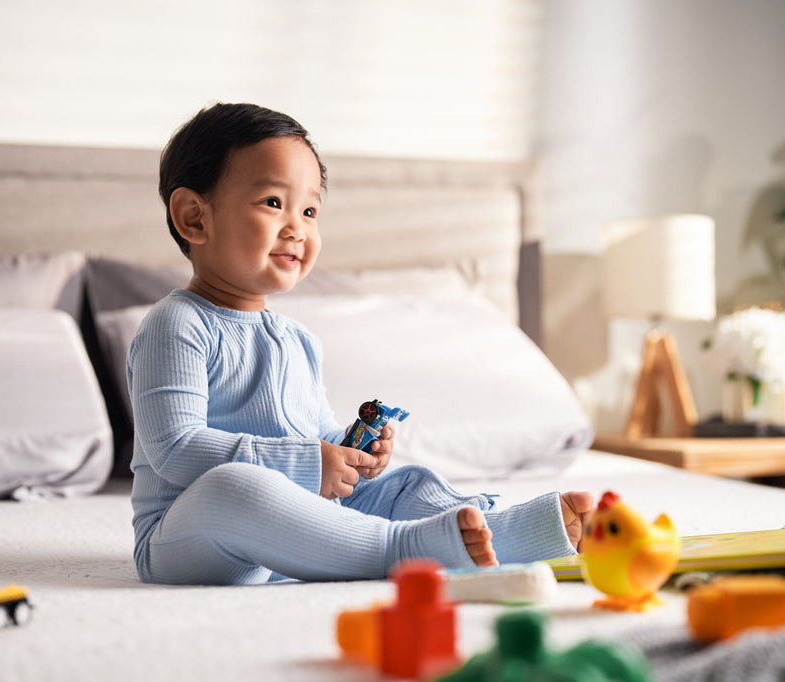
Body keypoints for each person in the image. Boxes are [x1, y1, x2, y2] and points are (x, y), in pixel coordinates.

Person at [129, 102, 594, 585]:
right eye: (273, 202)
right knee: (234, 487)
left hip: (297, 527)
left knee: (399, 482)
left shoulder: (297, 340)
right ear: (194, 218)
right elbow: (176, 449)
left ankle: (491, 532)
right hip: (189, 536)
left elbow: (310, 434)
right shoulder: (176, 324)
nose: (298, 228)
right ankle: (403, 549)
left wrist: (351, 452)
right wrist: (310, 463)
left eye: (310, 211)